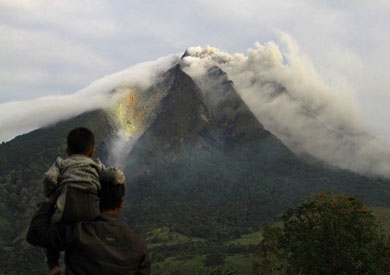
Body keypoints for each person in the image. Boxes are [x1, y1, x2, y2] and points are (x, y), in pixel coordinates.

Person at [27, 166, 151, 275]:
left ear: (96, 197)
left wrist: (52, 199)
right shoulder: (138, 246)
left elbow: (35, 233)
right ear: (121, 203)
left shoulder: (77, 232)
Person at [41, 127, 124, 273]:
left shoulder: (61, 163)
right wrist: (121, 180)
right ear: (92, 151)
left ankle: (53, 264)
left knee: (49, 228)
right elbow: (114, 175)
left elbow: (49, 177)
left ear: (68, 151)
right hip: (91, 210)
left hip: (67, 207)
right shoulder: (96, 165)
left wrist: (50, 193)